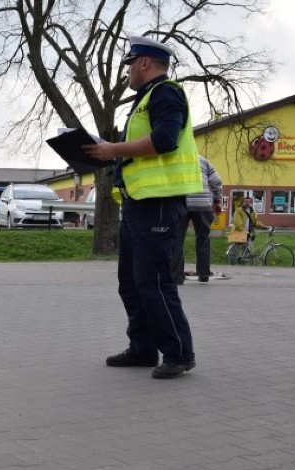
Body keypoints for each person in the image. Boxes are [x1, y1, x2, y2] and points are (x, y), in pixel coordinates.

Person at [82, 36, 203, 380]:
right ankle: (143, 348)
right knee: (131, 282)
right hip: (139, 202)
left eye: (130, 64)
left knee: (155, 281)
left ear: (145, 63)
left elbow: (165, 140)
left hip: (160, 203)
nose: (128, 72)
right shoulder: (145, 99)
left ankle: (179, 353)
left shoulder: (165, 93)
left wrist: (113, 149)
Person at [171, 156, 223, 284]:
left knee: (177, 240)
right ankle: (204, 274)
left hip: (180, 204)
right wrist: (216, 201)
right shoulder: (203, 161)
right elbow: (216, 181)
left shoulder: (174, 159)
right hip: (202, 204)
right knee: (203, 238)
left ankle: (177, 277)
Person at [228, 195, 269, 264]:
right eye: (245, 201)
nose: (247, 203)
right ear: (243, 202)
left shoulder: (253, 211)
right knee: (235, 249)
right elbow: (238, 222)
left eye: (249, 202)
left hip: (248, 233)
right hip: (239, 232)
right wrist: (244, 231)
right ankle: (231, 264)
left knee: (246, 249)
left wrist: (264, 227)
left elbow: (255, 223)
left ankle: (244, 263)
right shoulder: (238, 210)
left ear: (251, 203)